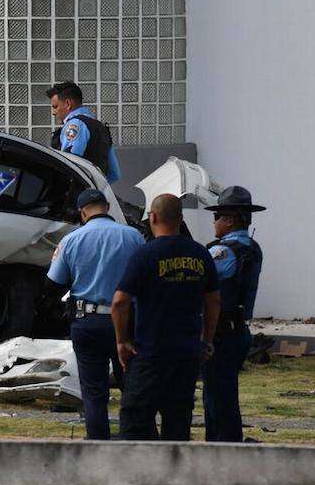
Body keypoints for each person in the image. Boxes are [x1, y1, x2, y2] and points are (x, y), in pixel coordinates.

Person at [112, 194, 221, 441]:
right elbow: (214, 300)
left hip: (150, 352)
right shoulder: (201, 254)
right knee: (178, 421)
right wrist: (207, 339)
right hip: (186, 353)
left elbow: (119, 302)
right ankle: (174, 474)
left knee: (135, 420)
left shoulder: (145, 255)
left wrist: (122, 340)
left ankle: (142, 475)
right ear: (181, 219)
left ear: (153, 216)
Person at [47, 189, 144, 440]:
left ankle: (97, 444)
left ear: (82, 212)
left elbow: (55, 283)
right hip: (126, 321)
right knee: (131, 386)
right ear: (108, 206)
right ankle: (134, 438)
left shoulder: (71, 240)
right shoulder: (133, 236)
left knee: (93, 390)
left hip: (87, 321)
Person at [202, 186, 266, 442]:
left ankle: (221, 447)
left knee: (217, 398)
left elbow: (201, 282)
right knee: (225, 393)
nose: (214, 223)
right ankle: (228, 443)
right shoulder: (251, 247)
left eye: (217, 217)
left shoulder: (222, 252)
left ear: (229, 220)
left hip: (220, 334)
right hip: (238, 330)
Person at [46, 81, 121, 183]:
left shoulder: (75, 125)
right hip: (95, 195)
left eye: (55, 106)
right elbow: (114, 174)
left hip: (77, 195)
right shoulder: (99, 126)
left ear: (68, 104)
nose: (53, 112)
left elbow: (68, 168)